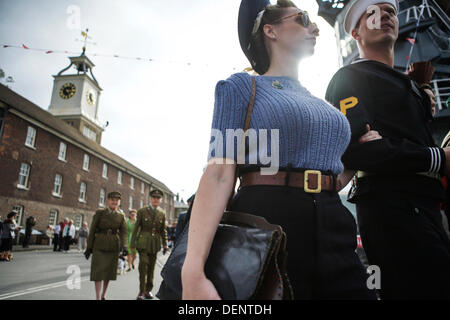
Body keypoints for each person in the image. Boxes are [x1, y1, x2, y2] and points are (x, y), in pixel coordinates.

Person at [181, 0, 383, 300]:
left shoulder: (322, 103)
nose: (313, 27)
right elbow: (220, 173)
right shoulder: (242, 87)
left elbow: (333, 178)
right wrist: (193, 273)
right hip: (269, 222)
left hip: (334, 222)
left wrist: (357, 156)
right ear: (270, 30)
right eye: (301, 19)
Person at [325, 0, 450, 299]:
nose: (385, 17)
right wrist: (438, 158)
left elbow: (385, 145)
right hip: (394, 211)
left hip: (426, 207)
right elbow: (357, 152)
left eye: (391, 11)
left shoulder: (409, 86)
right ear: (355, 33)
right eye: (372, 13)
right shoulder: (350, 78)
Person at [84, 191, 128, 300]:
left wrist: (125, 246)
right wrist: (89, 247)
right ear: (108, 201)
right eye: (112, 200)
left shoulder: (121, 216)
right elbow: (93, 229)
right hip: (99, 243)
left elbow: (124, 233)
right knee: (98, 271)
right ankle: (98, 297)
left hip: (113, 245)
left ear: (119, 202)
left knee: (109, 271)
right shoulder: (100, 213)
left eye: (117, 200)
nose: (114, 202)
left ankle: (104, 294)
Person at [131, 189, 169, 300]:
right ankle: (141, 291)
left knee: (151, 267)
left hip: (155, 244)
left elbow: (163, 230)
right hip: (143, 243)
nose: (156, 200)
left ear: (160, 200)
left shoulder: (162, 213)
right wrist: (132, 244)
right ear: (150, 199)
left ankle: (148, 290)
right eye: (154, 198)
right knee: (143, 265)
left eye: (158, 198)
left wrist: (165, 244)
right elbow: (136, 228)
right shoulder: (142, 211)